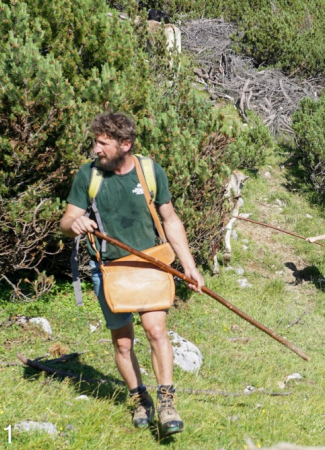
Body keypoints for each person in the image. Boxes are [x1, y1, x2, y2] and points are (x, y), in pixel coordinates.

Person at [59, 112, 204, 435]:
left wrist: (190, 267)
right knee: (123, 343)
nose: (96, 149)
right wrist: (75, 224)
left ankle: (167, 403)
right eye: (95, 141)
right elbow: (66, 222)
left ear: (125, 145)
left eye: (103, 143)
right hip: (109, 270)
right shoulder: (88, 176)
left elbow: (170, 220)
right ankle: (141, 398)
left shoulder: (149, 171)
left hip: (150, 263)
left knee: (155, 330)